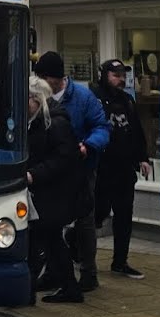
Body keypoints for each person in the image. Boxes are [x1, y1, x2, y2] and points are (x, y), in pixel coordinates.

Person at [33, 51, 110, 292]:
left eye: (45, 77)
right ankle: (55, 273)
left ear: (56, 78)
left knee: (84, 220)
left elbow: (102, 127)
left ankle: (88, 273)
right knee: (49, 223)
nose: (42, 81)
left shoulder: (83, 97)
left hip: (81, 169)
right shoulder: (36, 95)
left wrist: (88, 146)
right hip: (52, 172)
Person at [25, 74, 88, 304]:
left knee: (40, 241)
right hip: (48, 192)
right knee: (50, 241)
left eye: (26, 101)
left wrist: (34, 174)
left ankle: (27, 291)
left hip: (54, 193)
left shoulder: (55, 122)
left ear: (36, 99)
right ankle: (69, 288)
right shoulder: (39, 120)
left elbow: (63, 159)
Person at [90, 59, 150, 280]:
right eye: (115, 75)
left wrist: (142, 158)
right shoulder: (94, 99)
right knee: (98, 213)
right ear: (104, 75)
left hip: (124, 169)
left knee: (124, 216)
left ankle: (120, 261)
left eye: (123, 75)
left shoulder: (127, 101)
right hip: (102, 169)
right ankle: (75, 245)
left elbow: (135, 131)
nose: (121, 79)